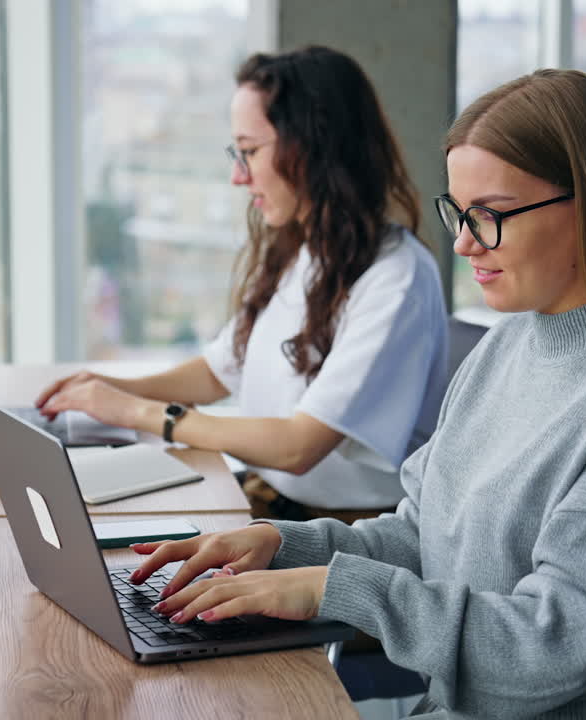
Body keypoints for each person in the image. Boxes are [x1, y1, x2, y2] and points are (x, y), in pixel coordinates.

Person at [124, 69, 586, 719]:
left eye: (491, 216)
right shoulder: (505, 349)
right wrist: (284, 548)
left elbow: (549, 649)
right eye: (459, 212)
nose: (462, 243)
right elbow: (424, 537)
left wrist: (331, 590)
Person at [36, 46, 448, 522]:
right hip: (267, 501)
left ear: (313, 148)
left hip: (343, 534)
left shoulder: (396, 280)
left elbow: (299, 446)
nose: (238, 176)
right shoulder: (306, 250)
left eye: (250, 152)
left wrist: (134, 412)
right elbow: (217, 372)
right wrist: (110, 388)